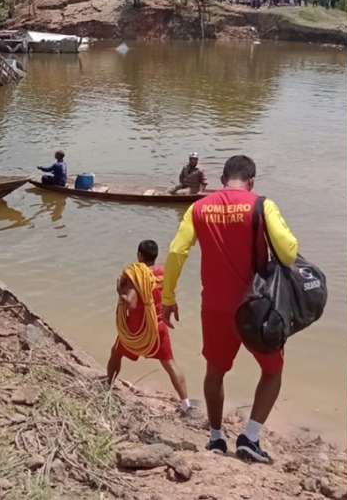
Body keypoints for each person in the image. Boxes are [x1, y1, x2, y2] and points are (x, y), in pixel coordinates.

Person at [162, 155, 298, 463]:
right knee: (273, 370)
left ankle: (215, 438)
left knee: (215, 372)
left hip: (214, 308)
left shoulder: (198, 208)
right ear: (251, 181)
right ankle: (250, 437)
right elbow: (289, 254)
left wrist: (168, 297)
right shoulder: (262, 205)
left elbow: (175, 251)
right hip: (257, 308)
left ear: (223, 179)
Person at [107, 239, 193, 416]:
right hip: (159, 326)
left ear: (139, 255)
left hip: (137, 328)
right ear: (155, 256)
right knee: (170, 364)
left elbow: (129, 303)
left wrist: (119, 290)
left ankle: (108, 385)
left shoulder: (136, 276)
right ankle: (186, 404)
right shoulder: (163, 272)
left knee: (116, 353)